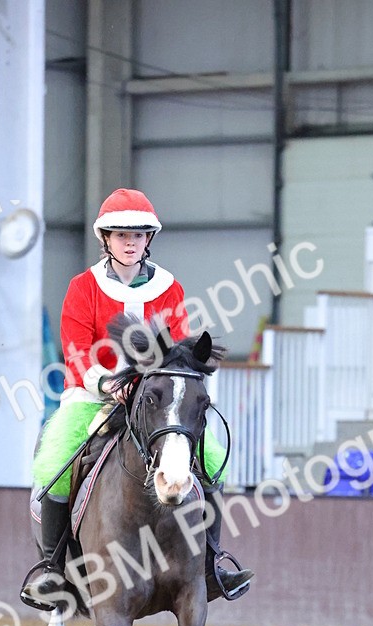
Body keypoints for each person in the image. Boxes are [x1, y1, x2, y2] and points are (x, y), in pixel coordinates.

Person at [25, 187, 252, 602]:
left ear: (149, 240)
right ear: (106, 240)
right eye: (121, 236)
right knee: (55, 464)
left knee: (212, 458)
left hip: (153, 398)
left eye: (137, 236)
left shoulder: (169, 288)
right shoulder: (83, 287)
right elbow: (74, 349)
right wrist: (106, 384)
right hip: (95, 394)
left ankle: (212, 564)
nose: (130, 244)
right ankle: (52, 571)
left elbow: (179, 347)